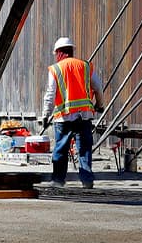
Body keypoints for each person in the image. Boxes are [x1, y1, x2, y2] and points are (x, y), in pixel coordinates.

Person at [39, 36, 104, 188]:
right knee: (84, 150)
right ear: (71, 51)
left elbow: (50, 94)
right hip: (84, 116)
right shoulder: (85, 66)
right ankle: (87, 181)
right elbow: (98, 87)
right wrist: (100, 105)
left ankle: (58, 181)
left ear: (59, 53)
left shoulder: (55, 69)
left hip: (64, 117)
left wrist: (45, 115)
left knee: (61, 149)